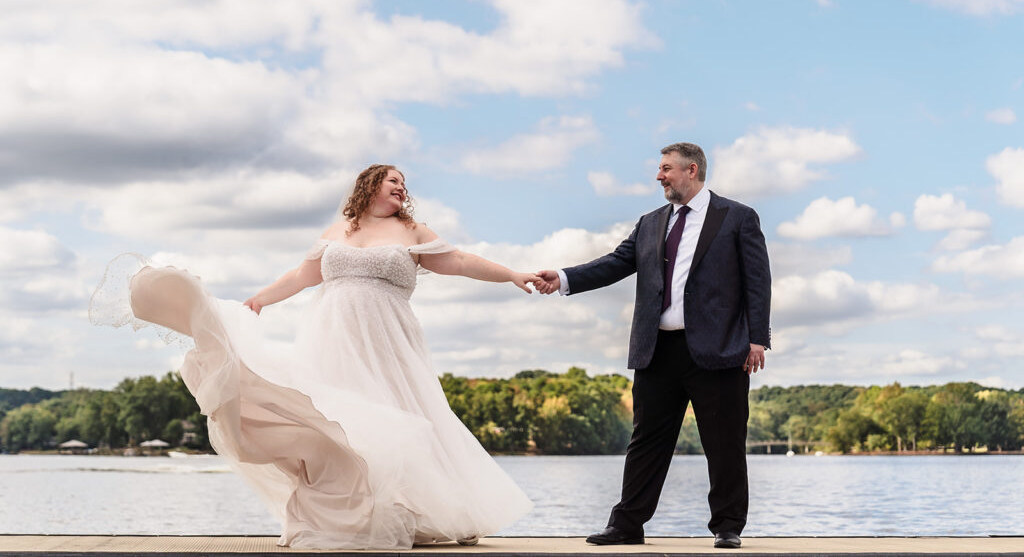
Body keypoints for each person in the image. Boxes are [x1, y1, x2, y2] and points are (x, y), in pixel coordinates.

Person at [90, 164, 536, 550]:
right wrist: (261, 299)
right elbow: (303, 275)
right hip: (333, 338)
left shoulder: (412, 232)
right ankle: (351, 512)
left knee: (403, 412)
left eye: (404, 184)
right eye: (392, 181)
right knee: (340, 421)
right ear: (369, 186)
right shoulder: (339, 232)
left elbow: (458, 260)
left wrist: (513, 274)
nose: (401, 188)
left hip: (388, 339)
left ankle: (430, 510)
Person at [535, 142, 771, 550]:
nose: (659, 176)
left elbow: (758, 281)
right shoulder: (649, 223)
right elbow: (614, 262)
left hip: (718, 352)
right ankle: (627, 524)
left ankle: (727, 526)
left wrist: (757, 339)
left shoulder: (737, 217)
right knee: (646, 441)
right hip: (656, 350)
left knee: (725, 440)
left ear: (691, 170)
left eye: (665, 169)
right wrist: (563, 277)